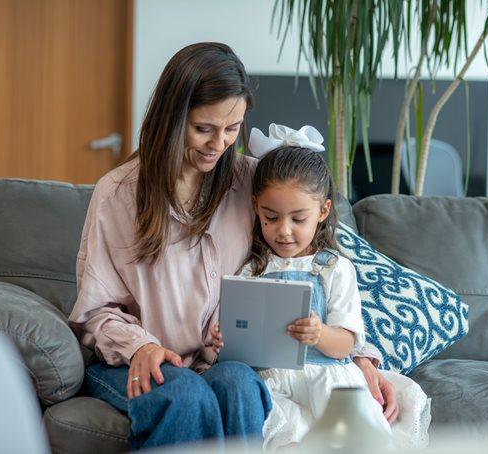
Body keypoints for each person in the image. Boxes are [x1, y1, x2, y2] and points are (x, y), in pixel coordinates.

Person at [68, 42, 397, 450]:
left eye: (232, 128)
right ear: (172, 118)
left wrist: (360, 358)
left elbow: (322, 258)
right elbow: (94, 312)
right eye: (203, 129)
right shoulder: (117, 194)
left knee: (241, 384)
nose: (218, 144)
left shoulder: (252, 182)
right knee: (187, 395)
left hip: (222, 360)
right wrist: (142, 346)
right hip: (139, 360)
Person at [211, 124, 430, 450]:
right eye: (271, 217)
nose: (283, 231)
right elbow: (239, 343)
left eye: (298, 219)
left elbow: (346, 344)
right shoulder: (252, 269)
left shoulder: (334, 269)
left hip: (324, 379)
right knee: (285, 439)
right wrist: (223, 338)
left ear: (323, 211)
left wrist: (319, 334)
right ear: (256, 207)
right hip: (274, 385)